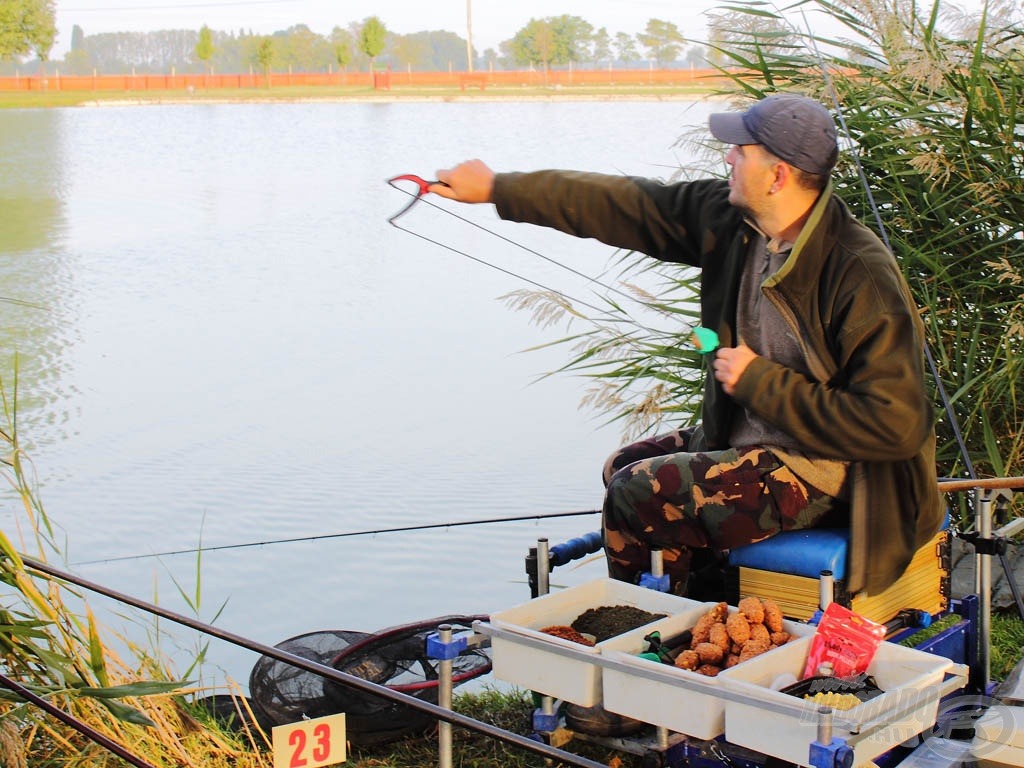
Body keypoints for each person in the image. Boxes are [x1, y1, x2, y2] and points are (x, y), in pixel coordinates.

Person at [429, 93, 944, 598]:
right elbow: (628, 204)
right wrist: (499, 188)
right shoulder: (735, 222)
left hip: (825, 471)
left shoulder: (858, 273)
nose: (728, 157)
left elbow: (893, 426)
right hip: (755, 437)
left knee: (639, 494)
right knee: (621, 467)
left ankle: (651, 641)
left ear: (778, 175)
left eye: (741, 151)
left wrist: (761, 383)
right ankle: (704, 607)